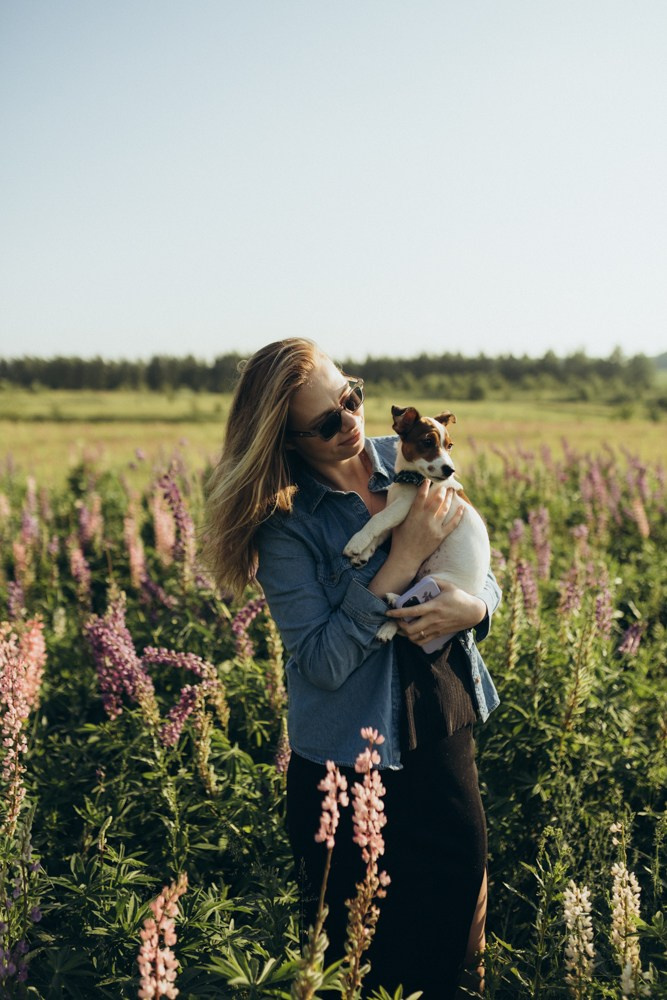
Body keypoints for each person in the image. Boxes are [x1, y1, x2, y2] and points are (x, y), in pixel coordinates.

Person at [203, 338, 501, 998]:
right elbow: (321, 663)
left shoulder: (411, 457)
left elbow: (483, 571)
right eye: (327, 422)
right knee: (365, 970)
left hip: (442, 733)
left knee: (456, 959)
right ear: (284, 440)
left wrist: (473, 608)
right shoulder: (286, 524)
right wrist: (400, 558)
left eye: (352, 398)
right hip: (345, 765)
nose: (351, 422)